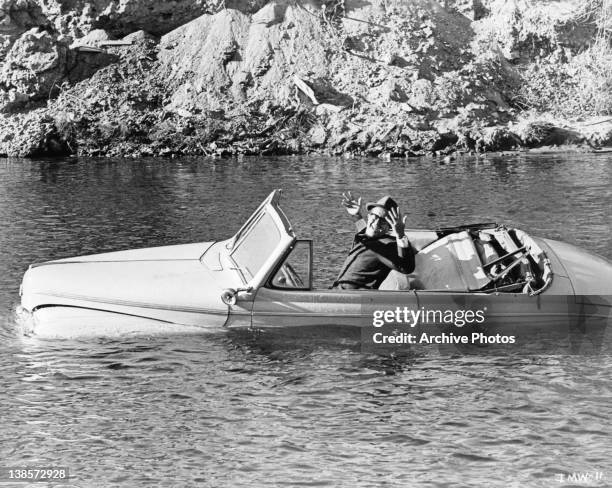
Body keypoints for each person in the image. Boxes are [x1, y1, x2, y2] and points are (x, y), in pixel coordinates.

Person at [332, 191, 415, 290]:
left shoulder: (386, 245)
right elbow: (366, 233)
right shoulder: (369, 239)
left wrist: (400, 236)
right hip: (337, 294)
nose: (376, 224)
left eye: (383, 221)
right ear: (369, 216)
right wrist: (356, 215)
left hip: (355, 300)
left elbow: (406, 268)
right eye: (374, 216)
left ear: (389, 227)